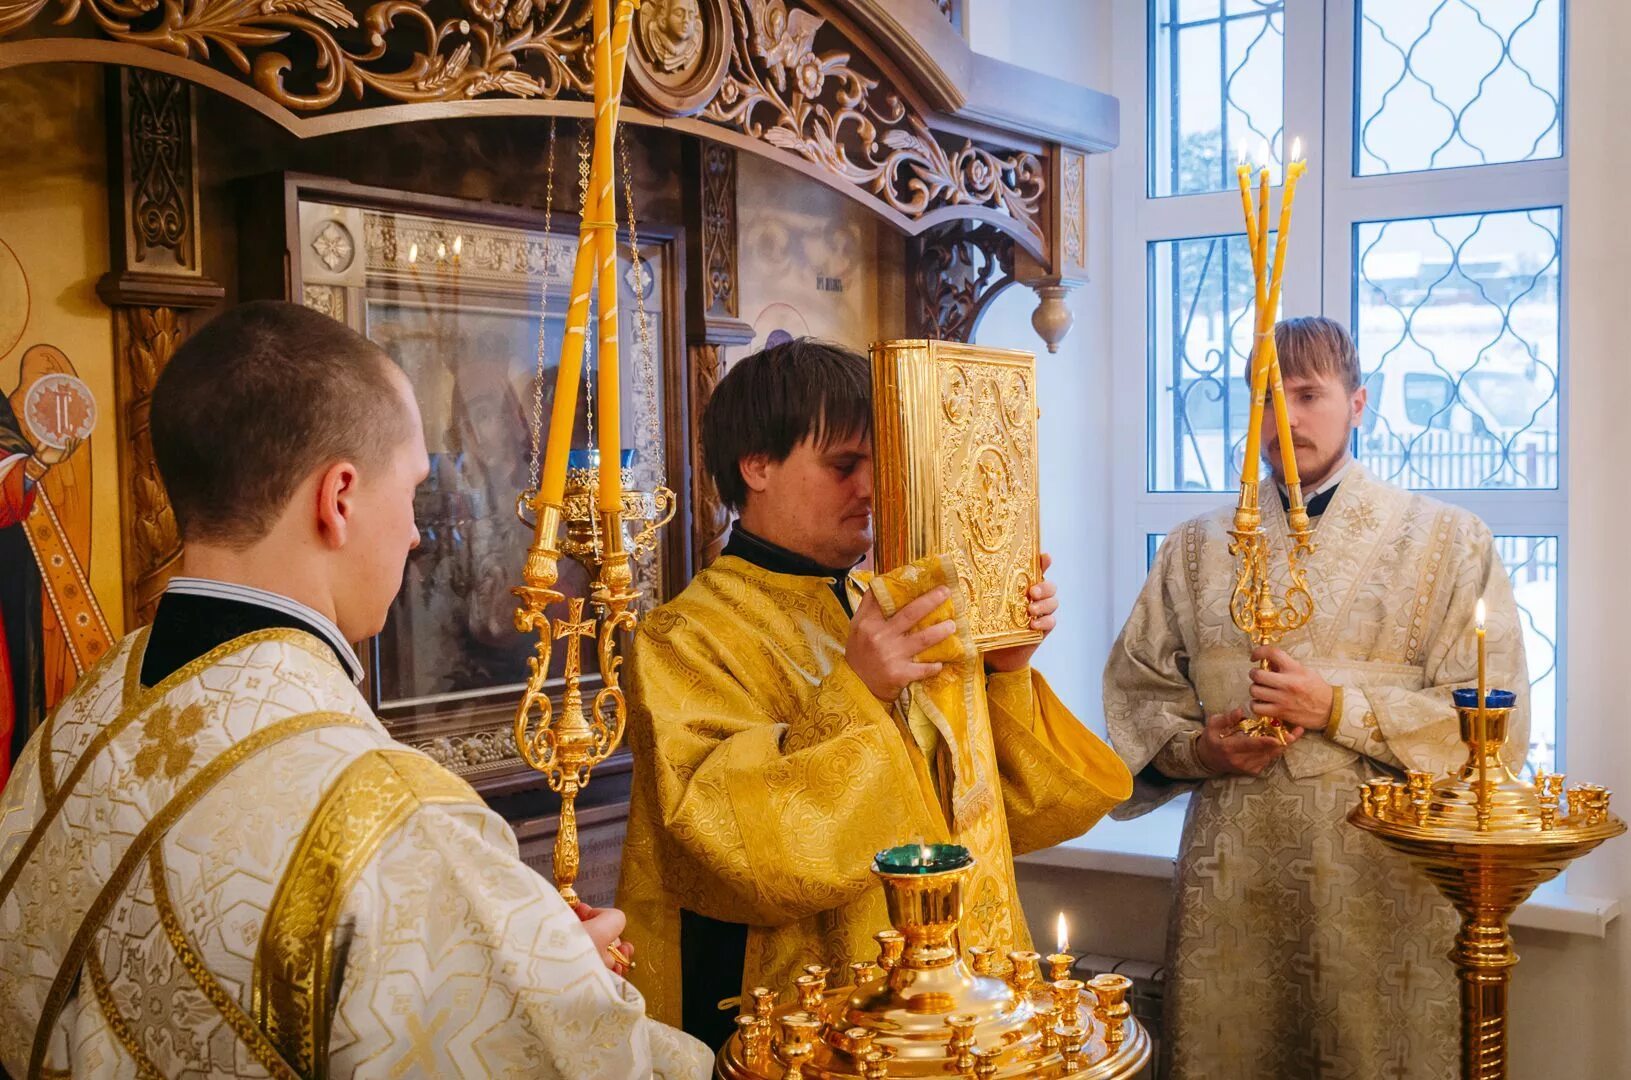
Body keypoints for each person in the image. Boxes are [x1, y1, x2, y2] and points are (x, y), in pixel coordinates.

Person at [0, 300, 711, 1079]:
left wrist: (502, 963)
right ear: (338, 498)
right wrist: (543, 987)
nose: (413, 533)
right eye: (411, 490)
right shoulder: (391, 817)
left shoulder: (82, 717)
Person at [617, 337, 1133, 1047]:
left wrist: (1005, 669)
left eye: (878, 464)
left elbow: (1007, 813)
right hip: (811, 1021)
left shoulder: (885, 605)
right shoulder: (685, 636)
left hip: (949, 1008)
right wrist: (857, 691)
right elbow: (729, 854)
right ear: (756, 465)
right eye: (843, 466)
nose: (869, 489)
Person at [1104, 316, 1529, 1078]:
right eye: (1265, 399)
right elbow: (1137, 694)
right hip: (1230, 880)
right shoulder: (1196, 546)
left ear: (1357, 402)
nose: (1285, 419)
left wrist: (1336, 709)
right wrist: (1202, 749)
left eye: (1307, 393)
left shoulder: (1446, 541)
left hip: (1379, 880)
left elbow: (1494, 721)